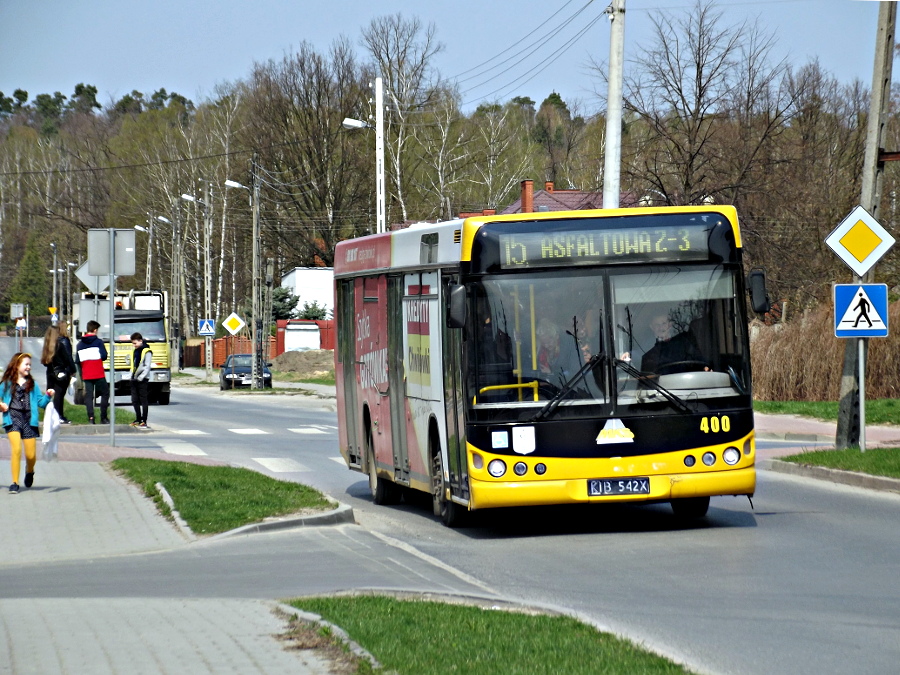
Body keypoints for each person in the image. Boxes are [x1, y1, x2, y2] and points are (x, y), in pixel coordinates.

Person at [0, 353, 54, 493]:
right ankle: (14, 483)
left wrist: (48, 396)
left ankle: (30, 471)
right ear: (17, 365)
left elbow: (41, 403)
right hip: (12, 418)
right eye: (26, 364)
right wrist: (1, 405)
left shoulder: (32, 384)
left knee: (31, 456)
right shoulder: (6, 383)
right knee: (16, 449)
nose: (28, 367)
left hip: (29, 421)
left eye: (30, 365)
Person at [637, 313, 706, 375]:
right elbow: (636, 357)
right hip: (660, 386)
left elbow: (698, 360)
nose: (661, 328)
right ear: (652, 327)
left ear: (670, 324)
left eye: (664, 323)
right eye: (657, 325)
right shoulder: (646, 346)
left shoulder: (684, 341)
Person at [41, 321, 76, 424]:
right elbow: (67, 359)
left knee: (50, 395)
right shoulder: (59, 345)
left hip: (50, 373)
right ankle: (59, 416)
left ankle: (50, 415)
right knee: (59, 396)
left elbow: (45, 362)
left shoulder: (47, 347)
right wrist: (73, 370)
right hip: (61, 373)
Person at [76, 320, 110, 424]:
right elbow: (104, 356)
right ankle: (103, 417)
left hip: (87, 374)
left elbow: (77, 360)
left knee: (89, 396)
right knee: (105, 393)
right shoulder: (98, 342)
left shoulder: (79, 345)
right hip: (98, 373)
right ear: (95, 330)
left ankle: (91, 418)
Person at [130, 332, 152, 430]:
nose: (134, 345)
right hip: (134, 377)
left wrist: (141, 377)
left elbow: (147, 366)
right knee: (135, 400)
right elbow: (133, 363)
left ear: (140, 341)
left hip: (142, 379)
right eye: (133, 343)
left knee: (143, 399)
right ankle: (138, 419)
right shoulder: (135, 351)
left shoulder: (146, 351)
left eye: (135, 343)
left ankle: (144, 420)